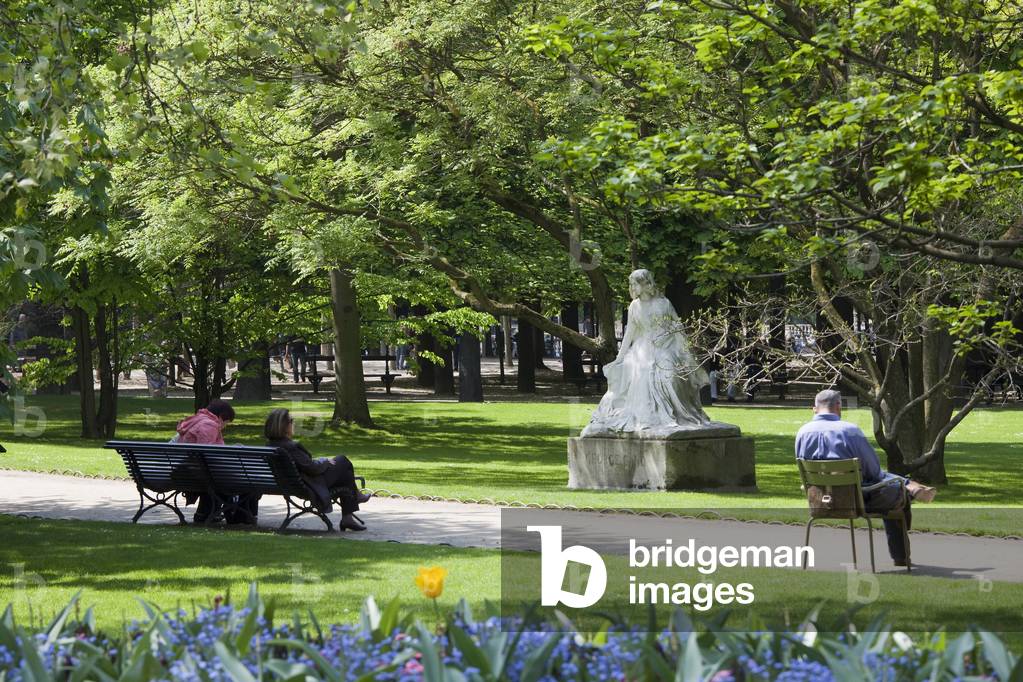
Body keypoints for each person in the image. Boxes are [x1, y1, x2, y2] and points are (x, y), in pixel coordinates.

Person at [795, 389, 936, 566]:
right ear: (838, 407)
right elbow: (874, 472)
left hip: (820, 500)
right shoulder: (850, 431)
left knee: (890, 485)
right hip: (859, 501)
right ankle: (901, 554)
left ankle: (910, 487)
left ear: (814, 409)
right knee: (897, 494)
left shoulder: (802, 432)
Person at [264, 408, 370, 531]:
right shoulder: (290, 447)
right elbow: (312, 469)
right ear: (283, 425)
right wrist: (324, 461)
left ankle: (348, 517)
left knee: (345, 475)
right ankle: (355, 498)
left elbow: (305, 464)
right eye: (291, 421)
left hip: (292, 484)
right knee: (343, 461)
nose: (293, 423)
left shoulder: (271, 446)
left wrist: (321, 460)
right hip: (308, 485)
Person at [176, 399, 257, 524]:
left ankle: (205, 513)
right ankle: (237, 516)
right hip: (200, 474)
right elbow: (208, 455)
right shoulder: (209, 425)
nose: (224, 427)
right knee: (239, 479)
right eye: (226, 423)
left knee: (220, 479)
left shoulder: (197, 420)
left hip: (189, 471)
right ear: (221, 417)